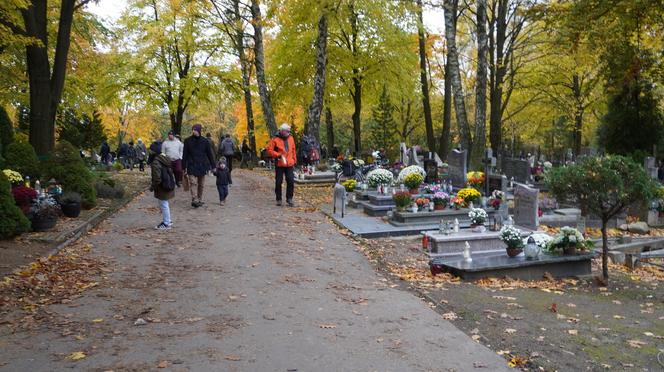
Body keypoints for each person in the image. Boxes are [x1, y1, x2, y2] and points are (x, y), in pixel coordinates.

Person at [183, 124, 215, 208]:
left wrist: (213, 166)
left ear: (199, 131)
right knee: (193, 183)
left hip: (202, 165)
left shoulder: (205, 141)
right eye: (193, 130)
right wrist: (183, 166)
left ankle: (200, 199)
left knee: (201, 184)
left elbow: (210, 154)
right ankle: (194, 199)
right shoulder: (187, 141)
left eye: (196, 130)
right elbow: (184, 155)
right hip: (191, 164)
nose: (194, 131)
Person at [267, 123, 297, 207]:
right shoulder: (275, 139)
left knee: (291, 181)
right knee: (278, 182)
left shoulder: (291, 138)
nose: (288, 132)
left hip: (290, 164)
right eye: (287, 131)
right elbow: (269, 150)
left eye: (289, 131)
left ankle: (289, 198)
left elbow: (293, 150)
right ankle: (279, 199)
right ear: (282, 131)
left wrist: (294, 160)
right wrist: (278, 155)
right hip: (279, 164)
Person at [148, 140, 175, 230]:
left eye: (151, 150)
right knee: (164, 203)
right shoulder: (164, 158)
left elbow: (157, 178)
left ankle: (166, 223)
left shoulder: (156, 162)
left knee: (163, 204)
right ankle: (168, 220)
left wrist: (152, 187)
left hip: (162, 186)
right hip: (167, 183)